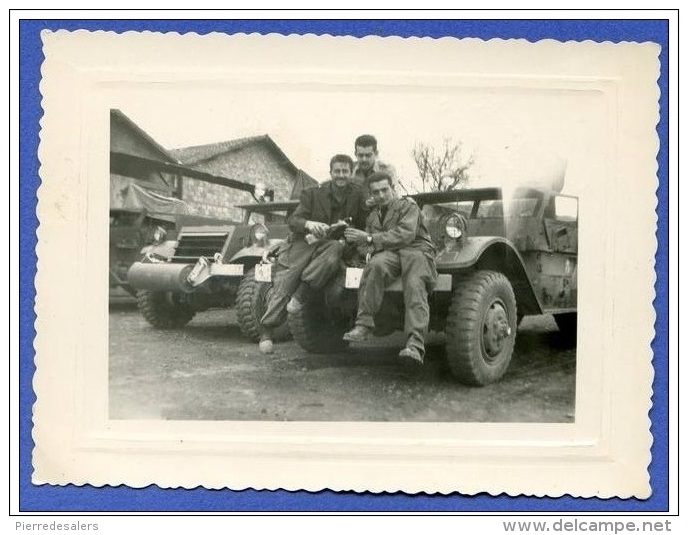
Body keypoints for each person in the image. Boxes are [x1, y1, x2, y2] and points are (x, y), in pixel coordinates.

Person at [258, 154, 368, 354]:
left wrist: (349, 232)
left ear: (351, 173)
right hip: (306, 242)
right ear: (330, 172)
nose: (341, 175)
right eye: (337, 171)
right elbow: (293, 221)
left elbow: (364, 223)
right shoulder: (312, 193)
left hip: (337, 244)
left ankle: (301, 295)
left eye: (345, 171)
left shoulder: (359, 194)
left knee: (336, 249)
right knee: (288, 276)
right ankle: (266, 331)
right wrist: (309, 224)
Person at [343, 171, 437, 364]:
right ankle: (364, 324)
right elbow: (364, 243)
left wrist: (369, 239)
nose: (381, 195)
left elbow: (405, 234)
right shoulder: (372, 217)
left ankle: (415, 345)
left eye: (385, 190)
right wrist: (364, 249)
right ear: (371, 194)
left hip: (416, 249)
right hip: (391, 252)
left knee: (414, 284)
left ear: (393, 188)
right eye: (376, 192)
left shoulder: (408, 206)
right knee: (375, 266)